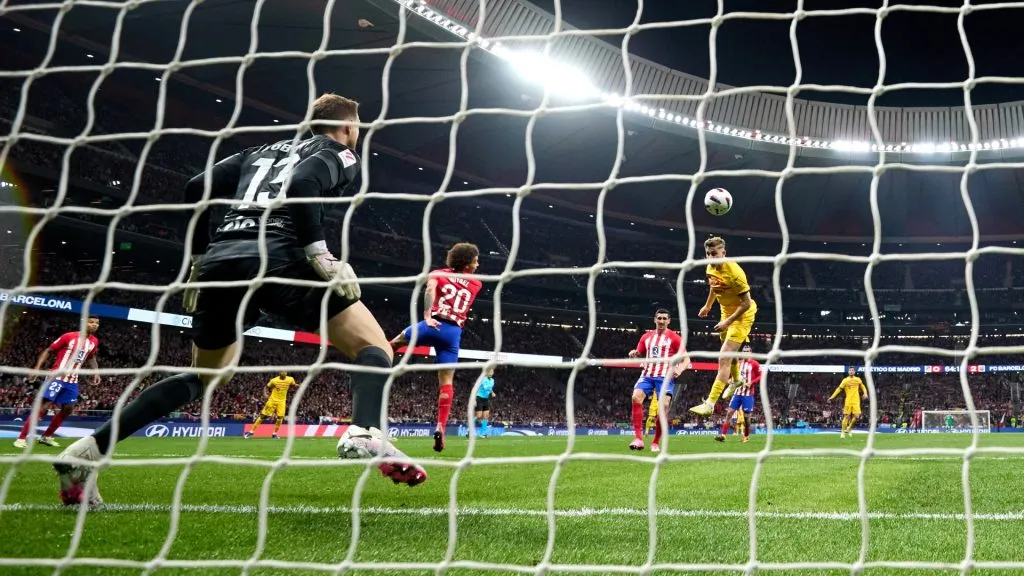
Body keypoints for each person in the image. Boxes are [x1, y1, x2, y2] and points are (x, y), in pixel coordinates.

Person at [53, 93, 426, 508]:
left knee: (206, 377)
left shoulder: (258, 151)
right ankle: (364, 432)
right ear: (349, 127)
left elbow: (197, 188)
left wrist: (197, 258)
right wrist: (320, 254)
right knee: (373, 348)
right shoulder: (339, 151)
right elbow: (303, 184)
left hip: (221, 262)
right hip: (280, 257)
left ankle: (85, 452)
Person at [390, 242, 481, 452]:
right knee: (446, 381)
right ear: (467, 264)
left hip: (433, 324)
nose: (478, 264)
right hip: (453, 334)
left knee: (393, 345)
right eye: (475, 260)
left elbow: (430, 289)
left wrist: (427, 316)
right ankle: (440, 425)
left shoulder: (438, 273)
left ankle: (374, 374)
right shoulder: (477, 284)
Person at [690, 236, 757, 416]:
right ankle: (736, 379)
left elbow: (747, 303)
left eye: (714, 254)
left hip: (742, 315)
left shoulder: (735, 272)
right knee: (728, 353)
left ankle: (710, 404)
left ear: (724, 253)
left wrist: (728, 322)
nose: (711, 258)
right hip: (725, 311)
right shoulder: (710, 267)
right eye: (708, 254)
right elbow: (714, 285)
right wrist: (708, 305)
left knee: (724, 357)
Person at [15, 317, 101, 448]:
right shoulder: (69, 336)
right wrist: (36, 368)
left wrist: (96, 372)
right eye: (91, 322)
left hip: (72, 380)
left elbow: (91, 357)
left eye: (96, 323)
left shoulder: (94, 341)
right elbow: (48, 350)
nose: (94, 325)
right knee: (44, 407)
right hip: (56, 377)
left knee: (68, 409)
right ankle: (21, 438)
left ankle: (46, 436)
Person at [628, 309, 689, 452]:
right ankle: (638, 438)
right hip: (648, 374)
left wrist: (679, 369)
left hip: (665, 377)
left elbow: (686, 359)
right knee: (636, 397)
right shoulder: (646, 337)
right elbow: (639, 355)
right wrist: (633, 354)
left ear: (669, 321)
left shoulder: (674, 338)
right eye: (659, 318)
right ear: (654, 319)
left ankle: (655, 442)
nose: (661, 321)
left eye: (664, 318)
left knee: (664, 407)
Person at [715, 344, 761, 443]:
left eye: (747, 351)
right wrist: (730, 380)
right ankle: (723, 435)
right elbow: (734, 375)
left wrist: (751, 382)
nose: (745, 353)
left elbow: (760, 375)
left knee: (746, 417)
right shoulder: (738, 363)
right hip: (737, 393)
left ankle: (746, 436)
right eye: (744, 351)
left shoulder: (754, 364)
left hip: (748, 395)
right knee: (729, 413)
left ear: (750, 352)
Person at [245, 371, 298, 438]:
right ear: (279, 374)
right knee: (263, 416)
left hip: (282, 401)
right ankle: (251, 432)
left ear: (286, 373)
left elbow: (294, 385)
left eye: (284, 373)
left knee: (280, 417)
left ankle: (274, 434)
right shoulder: (274, 380)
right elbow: (266, 387)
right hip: (272, 400)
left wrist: (299, 385)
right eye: (281, 373)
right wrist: (265, 393)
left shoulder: (290, 379)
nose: (283, 374)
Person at [830, 367, 867, 438]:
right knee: (846, 416)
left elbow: (863, 386)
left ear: (854, 372)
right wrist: (832, 396)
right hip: (848, 401)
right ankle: (842, 432)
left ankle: (849, 428)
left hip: (856, 401)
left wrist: (865, 393)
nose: (851, 371)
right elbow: (839, 389)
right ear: (848, 372)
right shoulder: (845, 380)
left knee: (857, 416)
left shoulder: (858, 379)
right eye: (850, 370)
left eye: (852, 370)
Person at [474, 367, 496, 438]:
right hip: (479, 397)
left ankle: (482, 433)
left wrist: (492, 392)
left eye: (492, 372)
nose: (491, 373)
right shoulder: (483, 379)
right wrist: (491, 391)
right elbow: (486, 387)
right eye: (490, 372)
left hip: (485, 399)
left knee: (486, 416)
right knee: (479, 416)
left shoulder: (492, 380)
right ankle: (469, 427)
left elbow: (490, 388)